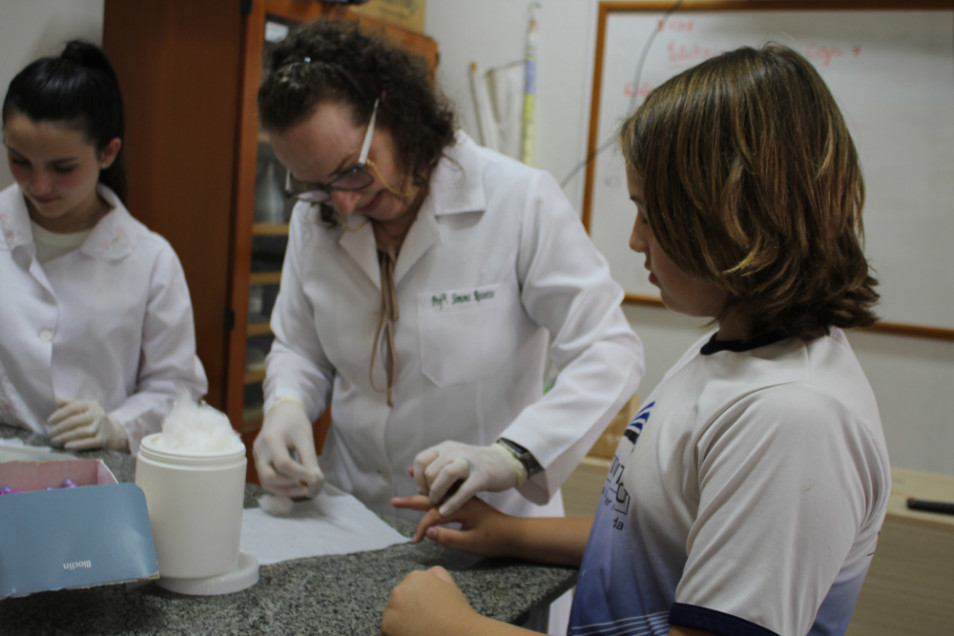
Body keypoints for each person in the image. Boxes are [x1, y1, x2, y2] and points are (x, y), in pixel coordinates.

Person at [382, 43, 891, 636]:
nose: (634, 239)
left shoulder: (792, 418)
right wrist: (512, 532)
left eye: (649, 211)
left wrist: (451, 628)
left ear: (727, 214)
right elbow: (662, 533)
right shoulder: (731, 354)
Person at [251, 17, 644, 525]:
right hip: (350, 518)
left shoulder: (517, 201)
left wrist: (514, 454)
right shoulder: (316, 217)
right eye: (318, 185)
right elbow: (301, 349)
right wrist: (286, 403)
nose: (344, 203)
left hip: (488, 525)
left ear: (392, 111)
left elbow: (609, 348)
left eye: (352, 169)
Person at [0, 40, 208, 453]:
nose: (38, 185)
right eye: (20, 160)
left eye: (63, 168)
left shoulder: (150, 259)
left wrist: (117, 426)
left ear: (108, 152)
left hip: (95, 472)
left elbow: (177, 386)